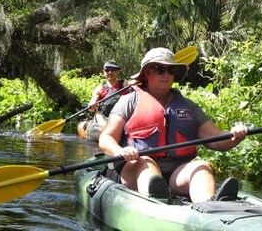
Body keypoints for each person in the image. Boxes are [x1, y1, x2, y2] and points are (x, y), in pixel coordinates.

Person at [98, 47, 248, 203]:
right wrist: (120, 150)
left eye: (171, 70)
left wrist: (233, 136)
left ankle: (210, 208)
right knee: (146, 163)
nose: (166, 75)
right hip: (135, 167)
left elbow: (216, 137)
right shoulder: (129, 101)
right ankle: (157, 201)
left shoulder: (188, 106)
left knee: (202, 166)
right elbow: (106, 138)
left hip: (175, 172)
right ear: (146, 73)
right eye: (159, 69)